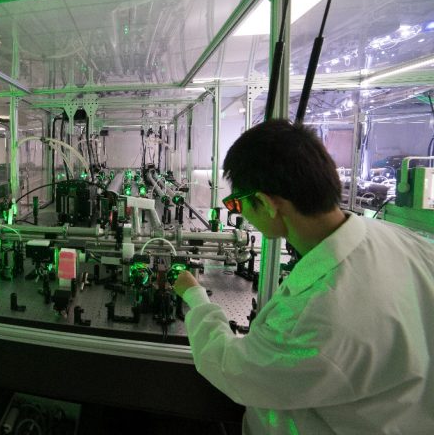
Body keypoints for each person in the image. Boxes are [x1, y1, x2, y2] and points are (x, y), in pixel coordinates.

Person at [172, 119, 434, 434]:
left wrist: (196, 296)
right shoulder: (407, 242)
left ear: (268, 203)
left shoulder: (315, 313)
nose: (240, 213)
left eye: (238, 203)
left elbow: (231, 368)